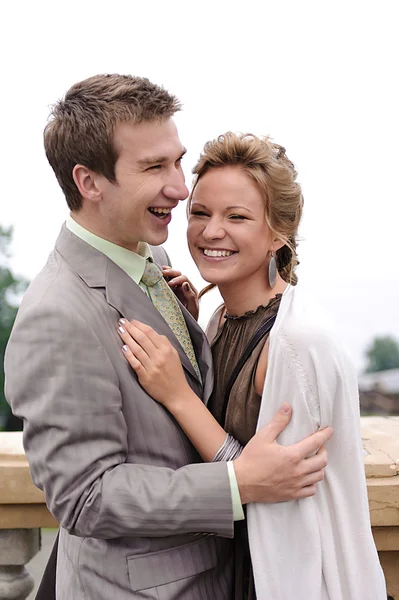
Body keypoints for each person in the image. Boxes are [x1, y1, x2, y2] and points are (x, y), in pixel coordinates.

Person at [5, 75, 332, 600]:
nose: (181, 188)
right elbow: (85, 497)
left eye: (176, 160)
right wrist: (237, 483)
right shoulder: (56, 315)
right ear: (90, 182)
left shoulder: (151, 259)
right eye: (154, 167)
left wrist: (186, 328)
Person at [118, 132, 386, 599]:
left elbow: (273, 488)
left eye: (236, 217)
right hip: (232, 574)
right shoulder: (223, 319)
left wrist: (177, 393)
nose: (210, 231)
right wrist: (190, 333)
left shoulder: (299, 342)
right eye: (200, 213)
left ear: (278, 233)